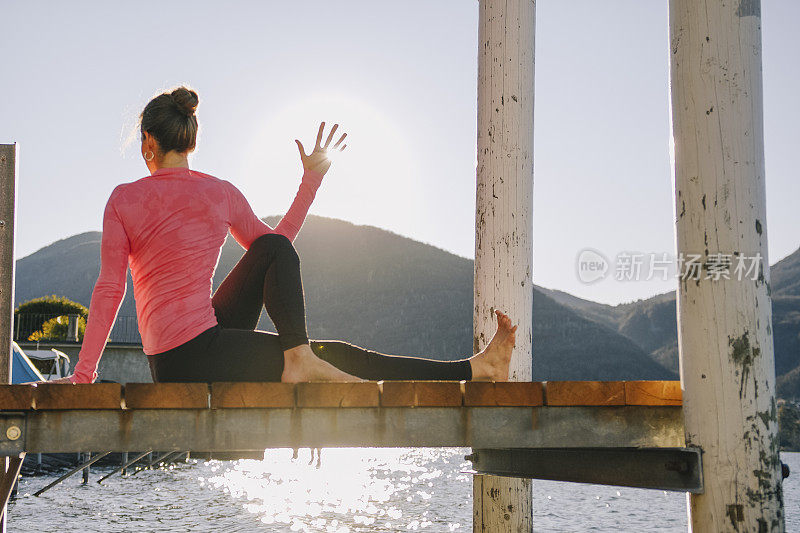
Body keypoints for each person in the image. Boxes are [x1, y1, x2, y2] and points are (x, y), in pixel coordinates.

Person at [55, 86, 517, 384]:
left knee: (293, 293)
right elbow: (281, 244)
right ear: (190, 141)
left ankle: (301, 357)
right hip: (196, 355)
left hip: (178, 356)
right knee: (329, 352)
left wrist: (82, 376)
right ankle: (472, 370)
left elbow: (110, 289)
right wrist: (311, 181)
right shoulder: (220, 193)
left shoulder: (123, 198)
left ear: (148, 144)